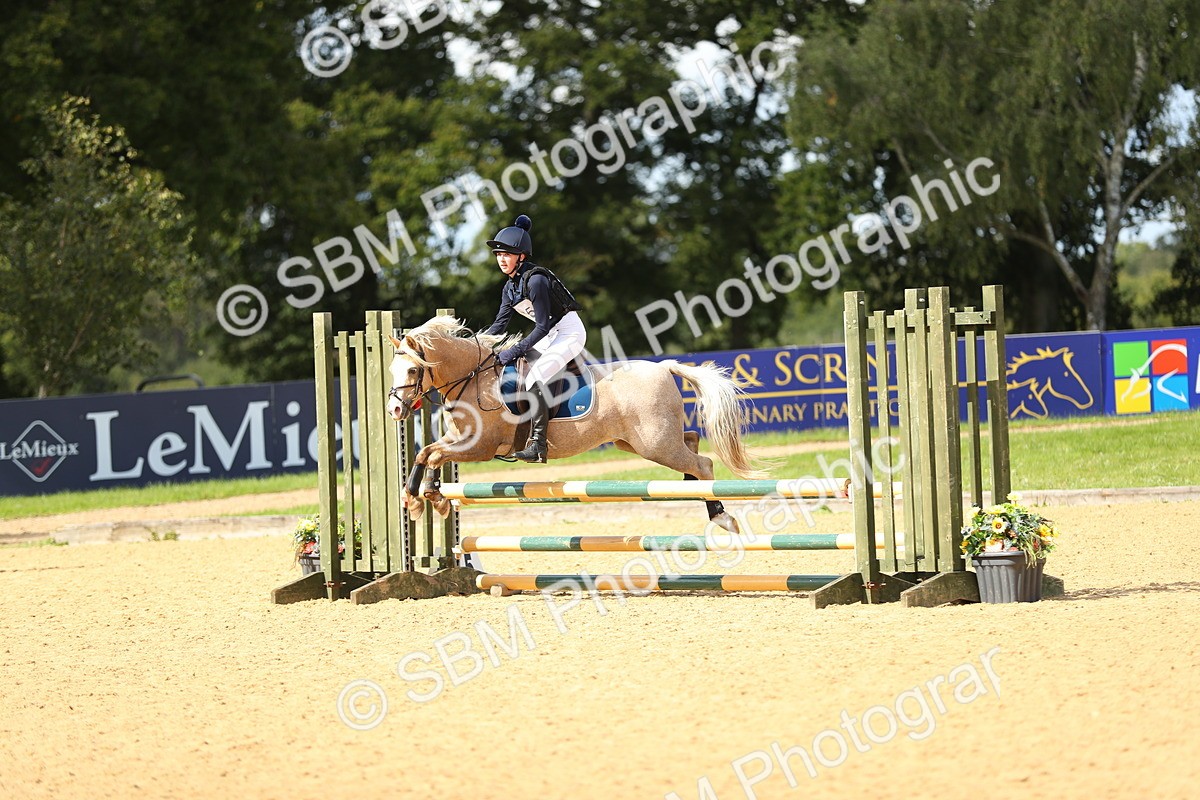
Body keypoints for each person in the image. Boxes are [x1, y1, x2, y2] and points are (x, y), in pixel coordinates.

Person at [483, 214, 586, 463]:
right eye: (498, 255)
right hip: (549, 334)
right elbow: (499, 324)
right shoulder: (510, 287)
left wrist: (514, 350)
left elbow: (541, 327)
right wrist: (477, 344)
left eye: (506, 254)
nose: (501, 259)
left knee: (535, 377)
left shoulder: (536, 280)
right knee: (518, 371)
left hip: (568, 332)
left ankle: (539, 445)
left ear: (521, 256)